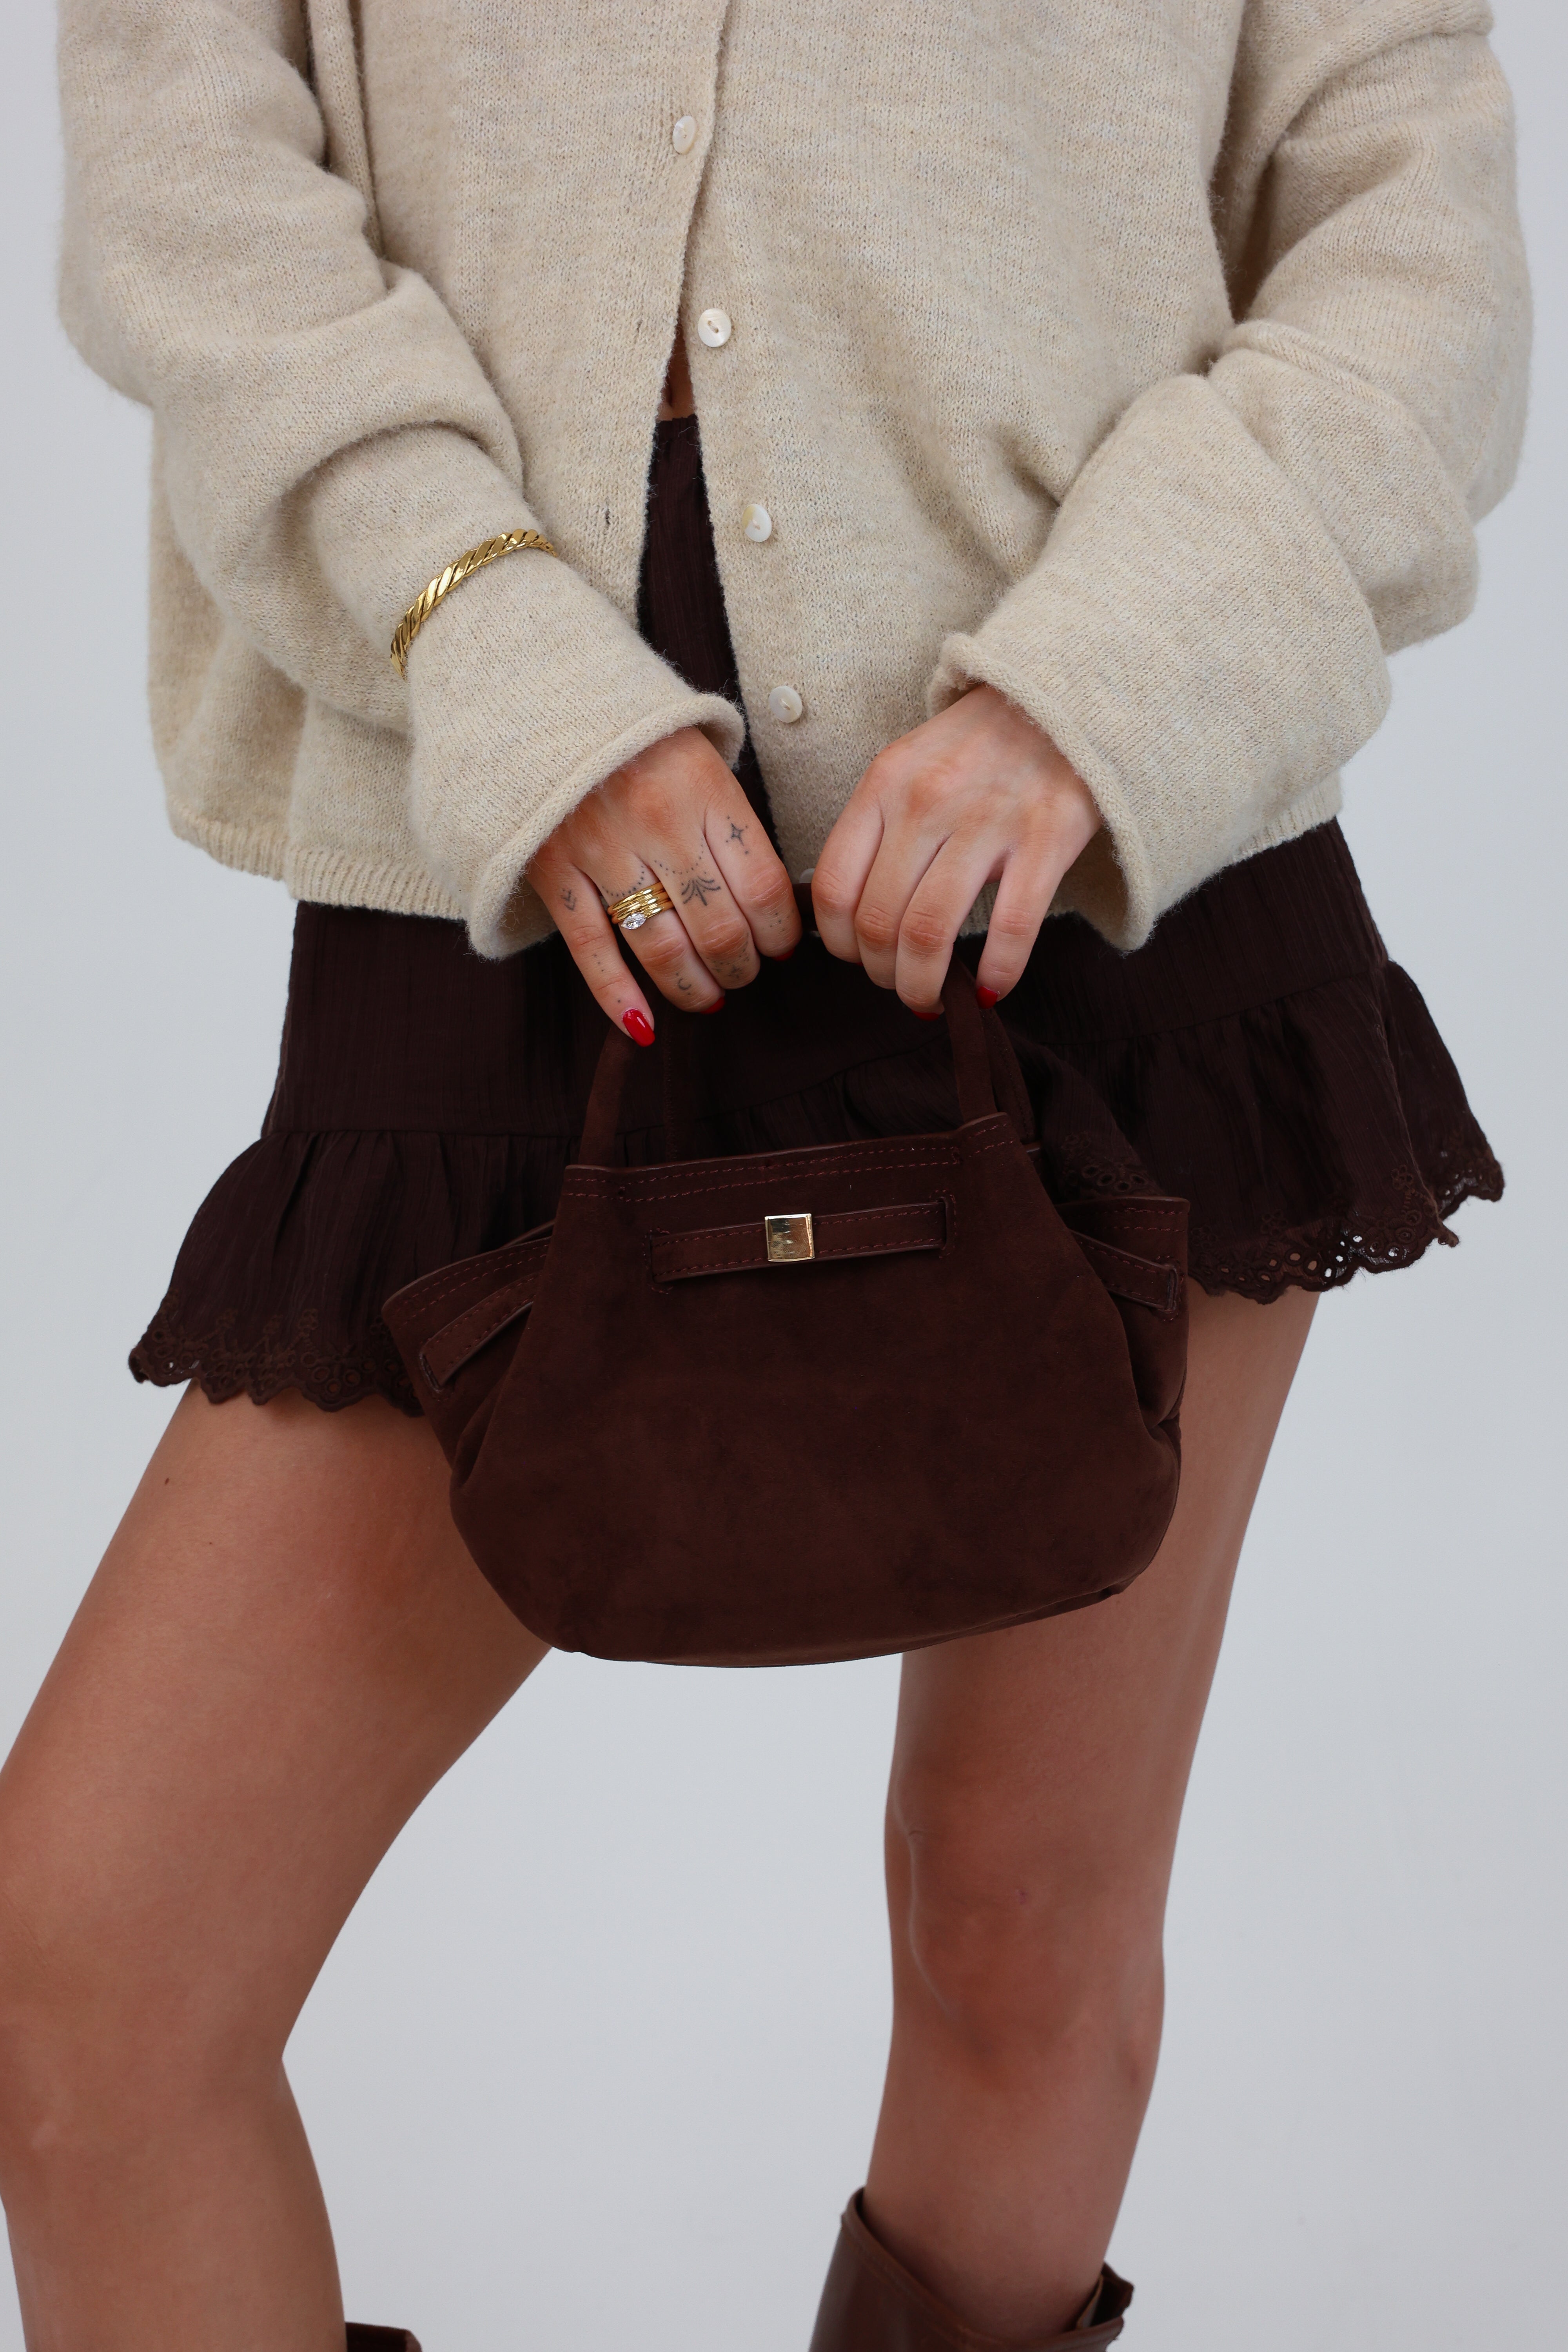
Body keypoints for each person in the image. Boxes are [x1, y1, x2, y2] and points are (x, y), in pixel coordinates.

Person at [0, 4, 1528, 2347]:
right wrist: (497, 645)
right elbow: (192, 166)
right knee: (85, 1979)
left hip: (1100, 864)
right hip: (505, 846)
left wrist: (1106, 690)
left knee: (1019, 1926)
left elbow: (1408, 226)